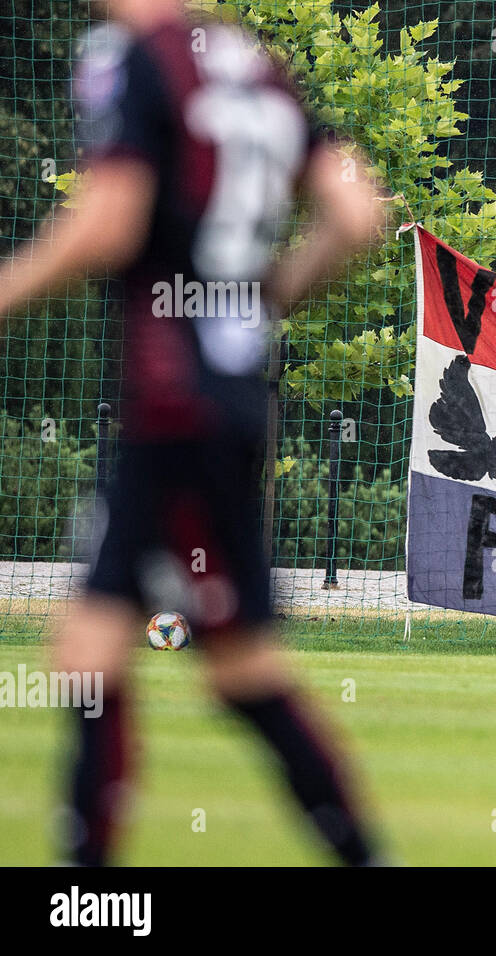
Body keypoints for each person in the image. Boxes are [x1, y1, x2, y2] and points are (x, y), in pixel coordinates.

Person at [0, 0, 386, 864]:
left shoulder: (130, 58)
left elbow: (107, 224)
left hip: (167, 401)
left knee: (230, 667)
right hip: (231, 397)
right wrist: (266, 297)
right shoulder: (254, 64)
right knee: (99, 649)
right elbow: (357, 214)